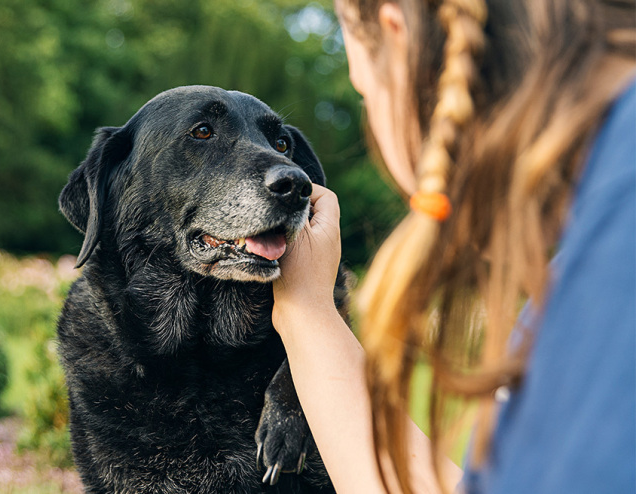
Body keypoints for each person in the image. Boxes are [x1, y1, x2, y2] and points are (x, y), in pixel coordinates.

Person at [272, 0, 636, 493]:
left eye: (363, 94)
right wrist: (307, 309)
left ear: (397, 35)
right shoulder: (588, 258)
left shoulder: (615, 260)